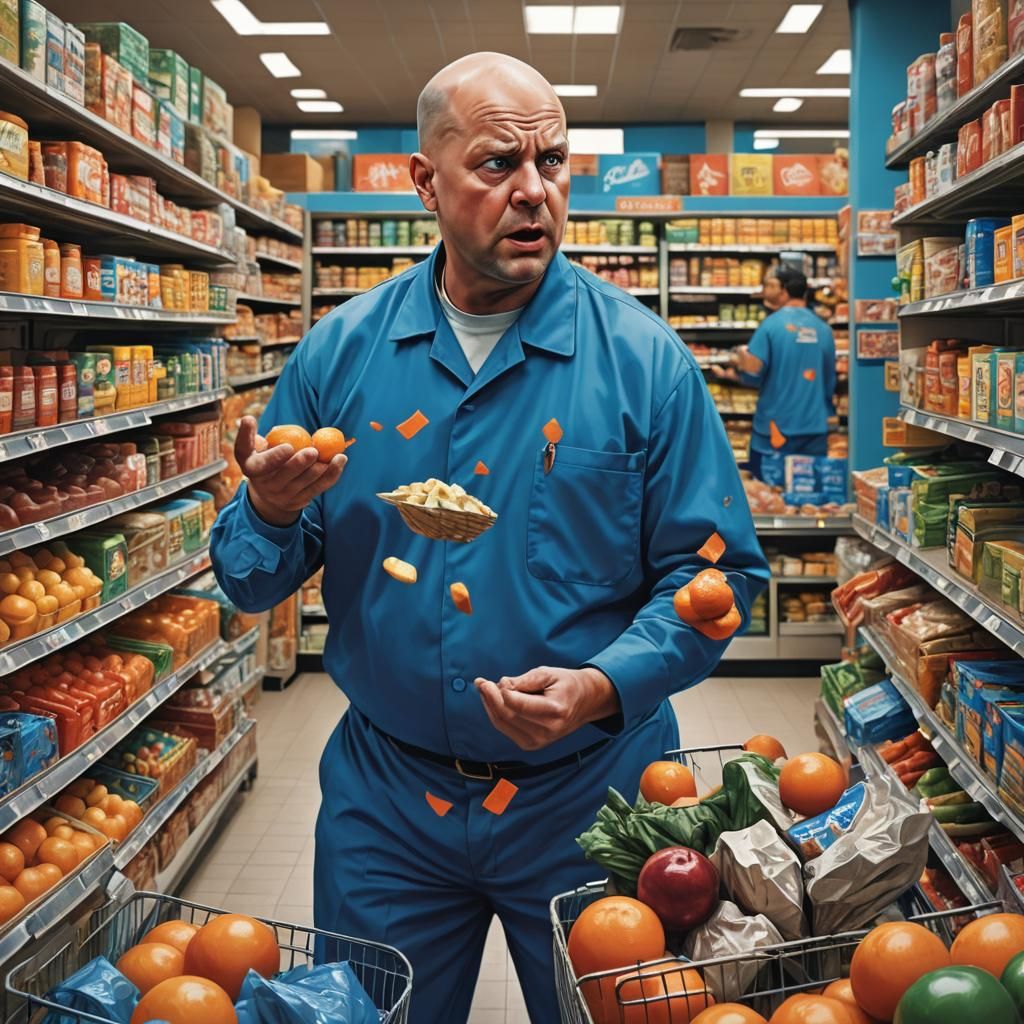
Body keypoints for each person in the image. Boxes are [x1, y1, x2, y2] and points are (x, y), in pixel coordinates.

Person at [210, 52, 768, 1024]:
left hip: (593, 799)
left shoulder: (644, 364)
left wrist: (602, 685)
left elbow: (713, 574)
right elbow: (252, 582)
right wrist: (269, 511)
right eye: (497, 163)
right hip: (388, 803)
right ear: (423, 180)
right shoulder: (339, 356)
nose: (533, 191)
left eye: (552, 161)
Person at [716, 265, 837, 481]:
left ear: (784, 292)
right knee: (809, 495)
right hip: (814, 428)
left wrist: (735, 372)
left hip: (776, 429)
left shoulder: (770, 326)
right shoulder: (824, 329)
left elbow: (753, 374)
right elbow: (829, 381)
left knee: (769, 496)